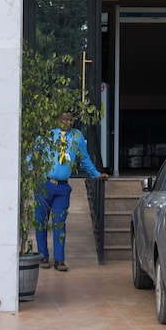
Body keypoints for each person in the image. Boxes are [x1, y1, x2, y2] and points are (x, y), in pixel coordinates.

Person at [34, 112, 107, 272]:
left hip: (63, 187)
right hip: (44, 184)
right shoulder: (47, 134)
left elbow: (84, 158)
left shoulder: (77, 136)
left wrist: (96, 174)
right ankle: (42, 256)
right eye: (65, 119)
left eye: (71, 119)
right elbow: (34, 153)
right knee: (41, 221)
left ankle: (59, 260)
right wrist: (30, 170)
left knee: (59, 222)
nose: (68, 122)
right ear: (57, 120)